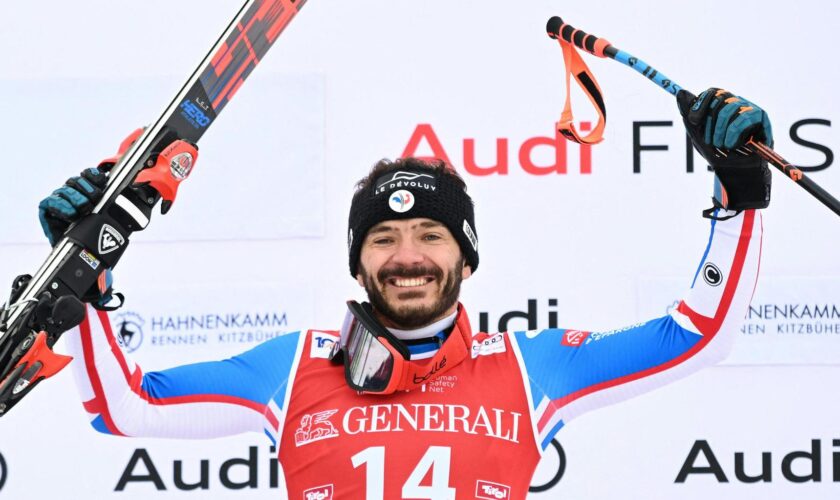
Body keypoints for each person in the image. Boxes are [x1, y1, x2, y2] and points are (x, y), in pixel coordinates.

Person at [38, 88, 771, 499]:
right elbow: (126, 409)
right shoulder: (294, 369)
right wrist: (87, 278)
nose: (407, 257)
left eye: (431, 234)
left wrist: (738, 196)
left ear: (467, 258)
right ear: (358, 265)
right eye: (383, 240)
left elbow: (697, 337)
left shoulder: (530, 366)